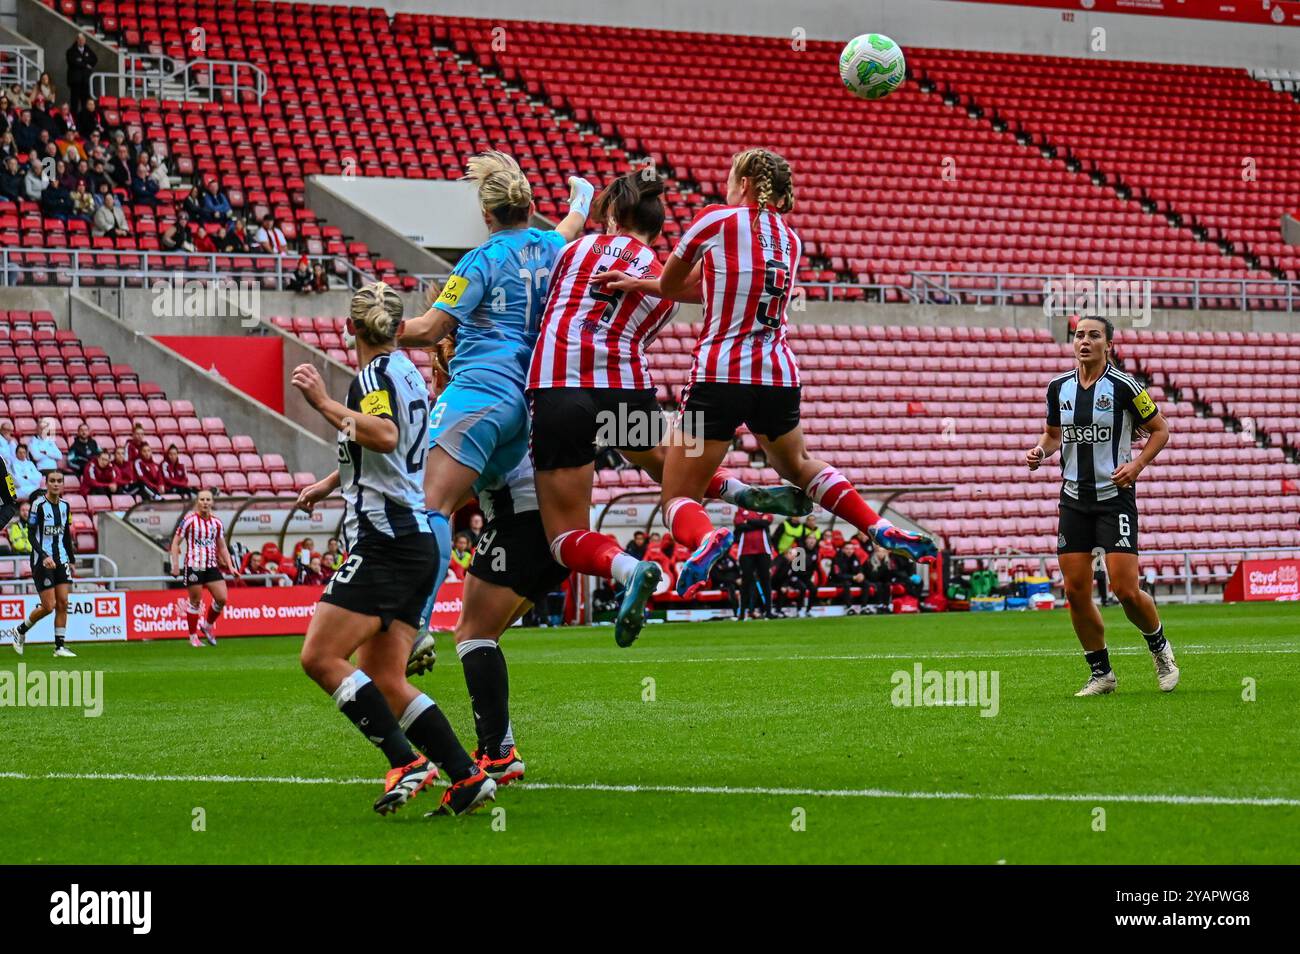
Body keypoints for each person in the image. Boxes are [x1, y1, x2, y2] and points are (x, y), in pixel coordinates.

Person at [591, 148, 936, 599]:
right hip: (777, 376)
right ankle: (876, 525)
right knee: (798, 464)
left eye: (732, 179)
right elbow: (720, 285)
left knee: (677, 495)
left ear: (747, 184)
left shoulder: (716, 219)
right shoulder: (791, 241)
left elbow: (677, 286)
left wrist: (648, 282)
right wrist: (639, 282)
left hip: (717, 380)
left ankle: (708, 540)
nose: (726, 187)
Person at [523, 169, 810, 646]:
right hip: (624, 385)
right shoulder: (662, 284)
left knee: (563, 536)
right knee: (665, 464)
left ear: (613, 215)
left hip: (560, 384)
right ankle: (737, 496)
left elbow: (544, 291)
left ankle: (631, 569)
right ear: (657, 230)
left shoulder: (574, 250)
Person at [291, 281, 495, 817]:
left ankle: (405, 761)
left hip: (384, 541)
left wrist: (322, 402)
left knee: (319, 656)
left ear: (352, 327)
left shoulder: (372, 378)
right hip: (414, 539)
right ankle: (467, 777)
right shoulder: (407, 369)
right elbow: (388, 448)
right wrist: (331, 483)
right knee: (385, 678)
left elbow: (380, 435)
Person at [395, 150, 591, 646]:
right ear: (528, 206)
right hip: (526, 405)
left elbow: (430, 330)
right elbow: (573, 222)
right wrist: (581, 198)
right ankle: (497, 611)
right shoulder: (550, 245)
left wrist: (379, 329)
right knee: (490, 499)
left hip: (480, 390)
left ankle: (413, 623)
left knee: (428, 508)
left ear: (487, 215)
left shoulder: (479, 260)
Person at [1027, 315, 1176, 696]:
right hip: (1074, 500)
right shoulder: (1057, 387)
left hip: (1115, 501)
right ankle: (1101, 673)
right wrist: (1041, 451)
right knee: (1075, 592)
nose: (1085, 342)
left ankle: (1159, 648)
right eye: (1080, 335)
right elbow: (1053, 434)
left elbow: (1161, 430)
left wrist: (1138, 465)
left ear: (1108, 344)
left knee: (1125, 590)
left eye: (1094, 336)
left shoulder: (1125, 386)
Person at [5, 472, 77, 657]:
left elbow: (66, 535)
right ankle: (20, 630)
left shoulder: (66, 506)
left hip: (61, 559)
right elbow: (30, 535)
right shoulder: (38, 506)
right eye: (52, 481)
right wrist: (44, 555)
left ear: (62, 484)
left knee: (63, 602)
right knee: (49, 605)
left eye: (59, 481)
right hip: (41, 560)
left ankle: (59, 647)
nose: (55, 484)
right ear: (47, 483)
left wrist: (72, 560)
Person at [169, 490, 234, 648]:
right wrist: (175, 565)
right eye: (202, 499)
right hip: (194, 565)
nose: (205, 502)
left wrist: (231, 566)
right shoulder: (189, 520)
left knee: (222, 598)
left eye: (208, 499)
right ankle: (192, 637)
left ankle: (207, 625)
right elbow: (175, 543)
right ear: (197, 502)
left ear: (212, 502)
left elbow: (222, 546)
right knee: (195, 601)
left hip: (211, 565)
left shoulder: (216, 522)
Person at [734, 507, 775, 619]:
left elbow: (766, 523)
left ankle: (768, 612)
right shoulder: (741, 510)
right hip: (745, 551)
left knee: (765, 580)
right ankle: (742, 613)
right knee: (746, 582)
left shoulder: (764, 508)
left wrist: (749, 521)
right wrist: (758, 523)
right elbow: (739, 525)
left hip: (763, 550)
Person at [771, 545, 815, 617]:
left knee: (802, 587)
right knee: (782, 590)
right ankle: (775, 610)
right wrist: (783, 585)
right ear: (787, 553)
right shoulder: (779, 560)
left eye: (795, 556)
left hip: (782, 582)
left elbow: (788, 576)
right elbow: (773, 573)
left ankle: (799, 610)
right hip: (773, 582)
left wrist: (785, 585)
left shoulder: (791, 563)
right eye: (792, 555)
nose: (794, 557)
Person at [830, 537, 869, 613]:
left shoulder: (855, 557)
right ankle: (849, 607)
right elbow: (837, 575)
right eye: (847, 549)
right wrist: (853, 577)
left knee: (866, 583)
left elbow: (859, 569)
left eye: (851, 549)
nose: (849, 551)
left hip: (852, 580)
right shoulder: (837, 559)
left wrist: (861, 574)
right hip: (837, 581)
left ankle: (864, 607)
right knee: (846, 584)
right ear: (843, 549)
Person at [66, 34, 98, 114]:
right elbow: (73, 63)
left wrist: (85, 63)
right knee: (74, 103)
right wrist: (85, 64)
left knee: (85, 102)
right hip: (75, 82)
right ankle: (74, 120)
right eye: (80, 39)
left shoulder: (87, 49)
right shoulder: (71, 51)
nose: (81, 41)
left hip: (85, 81)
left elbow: (94, 59)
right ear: (77, 40)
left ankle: (84, 119)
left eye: (83, 39)